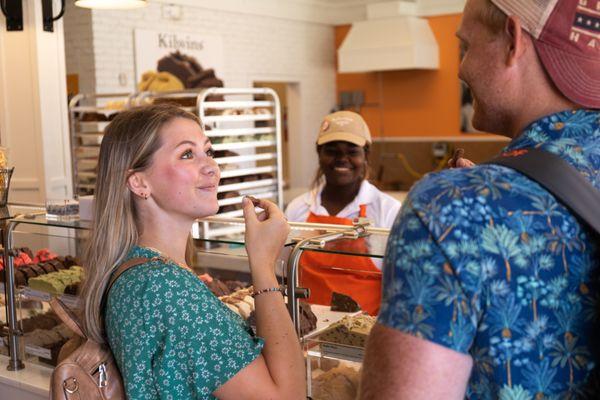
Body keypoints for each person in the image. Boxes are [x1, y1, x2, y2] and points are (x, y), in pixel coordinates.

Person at [360, 0, 600, 399]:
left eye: (466, 46)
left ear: (513, 40)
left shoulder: (452, 210)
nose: (460, 68)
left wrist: (455, 203)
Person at [80, 104, 306, 399]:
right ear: (139, 182)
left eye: (208, 151)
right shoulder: (167, 288)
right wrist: (264, 263)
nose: (212, 166)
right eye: (187, 154)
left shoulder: (136, 268)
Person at [285, 111, 401, 315]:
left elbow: (401, 286)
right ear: (318, 152)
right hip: (305, 333)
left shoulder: (388, 211)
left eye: (352, 151)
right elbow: (285, 272)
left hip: (363, 338)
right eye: (332, 151)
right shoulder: (298, 208)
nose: (341, 159)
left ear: (366, 155)